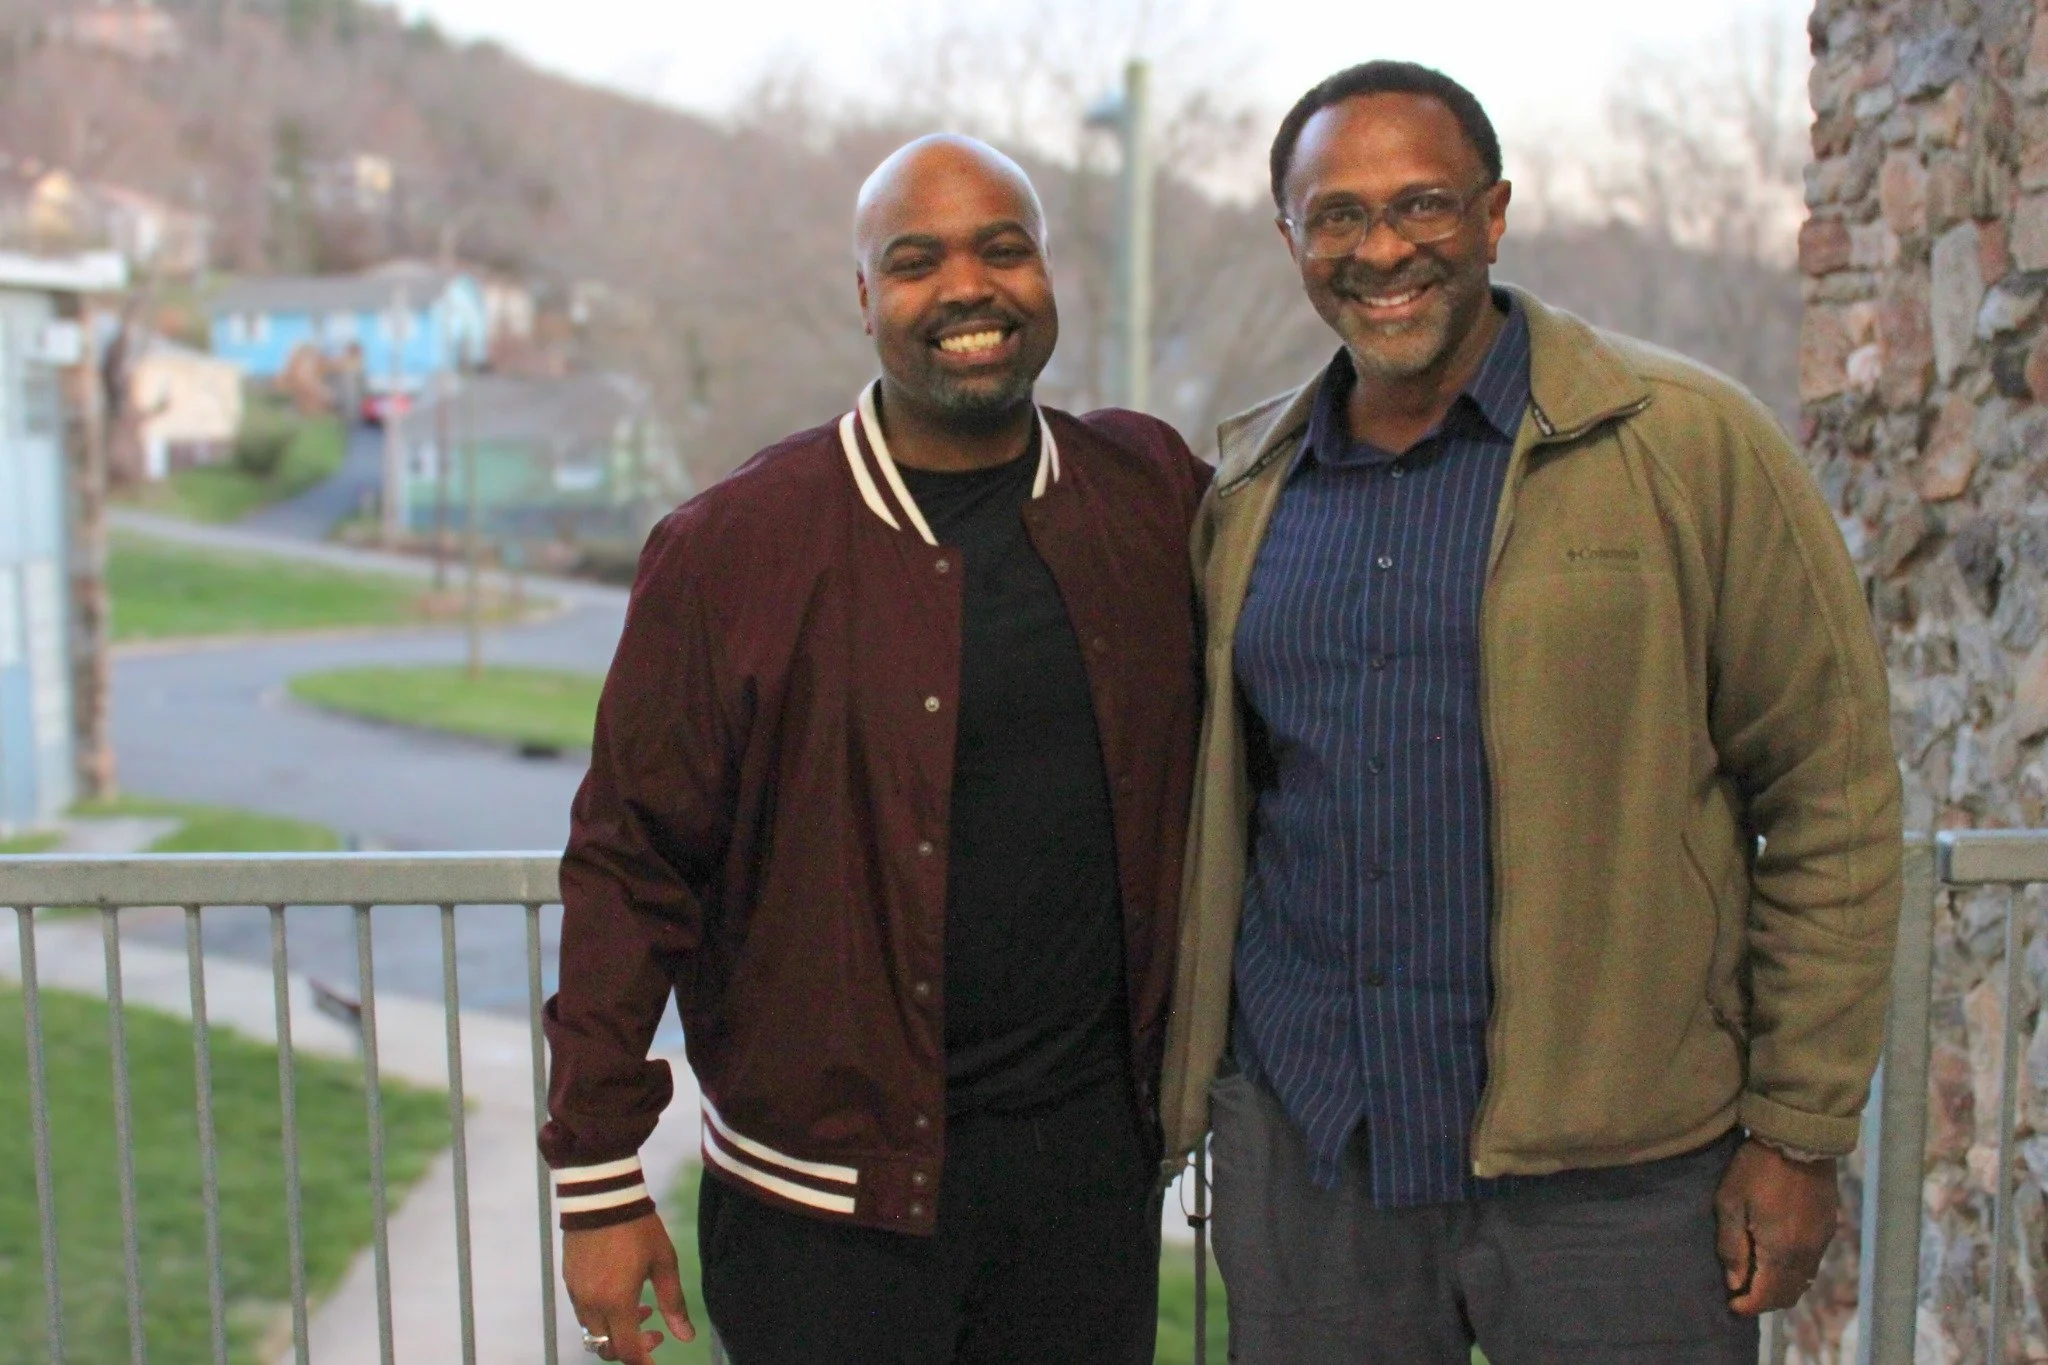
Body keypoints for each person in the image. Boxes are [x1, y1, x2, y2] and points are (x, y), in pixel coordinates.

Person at [1158, 61, 1903, 1363]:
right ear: (1291, 239)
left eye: (1423, 205)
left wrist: (1799, 1133)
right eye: (1336, 215)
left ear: (1494, 215)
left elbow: (1830, 793)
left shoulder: (1687, 445)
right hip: (1317, 1157)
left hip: (1620, 1179)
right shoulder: (1250, 486)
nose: (1381, 249)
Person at [540, 133, 1209, 1365]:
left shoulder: (1148, 493)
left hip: (1085, 1196)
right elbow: (630, 863)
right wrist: (596, 1175)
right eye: (915, 261)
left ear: (1049, 277)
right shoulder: (732, 547)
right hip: (820, 1217)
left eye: (1002, 249)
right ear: (864, 300)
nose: (967, 287)